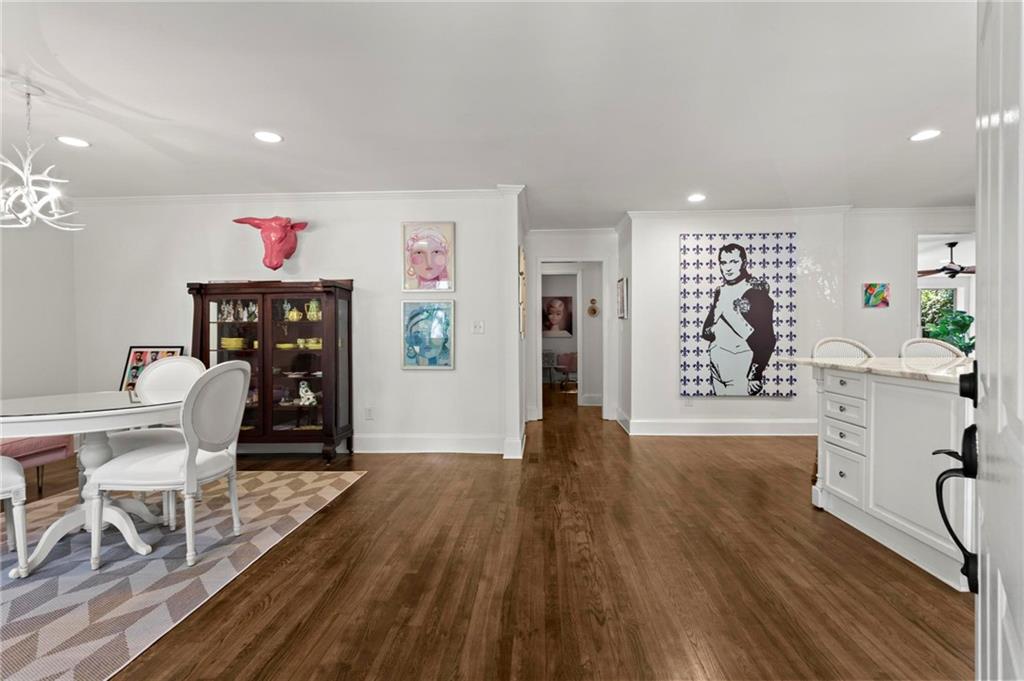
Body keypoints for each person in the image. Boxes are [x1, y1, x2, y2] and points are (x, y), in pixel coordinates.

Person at [701, 243, 776, 395]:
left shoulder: (755, 291)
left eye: (733, 262)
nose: (727, 268)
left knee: (740, 411)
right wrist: (715, 327)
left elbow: (767, 339)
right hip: (716, 363)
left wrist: (755, 374)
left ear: (744, 263)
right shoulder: (720, 291)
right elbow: (706, 332)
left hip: (741, 364)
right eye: (723, 262)